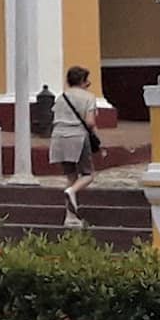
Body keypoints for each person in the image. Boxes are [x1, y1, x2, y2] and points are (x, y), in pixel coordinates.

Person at [50, 65, 98, 227]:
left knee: (71, 177)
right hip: (77, 137)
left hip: (58, 138)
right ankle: (71, 192)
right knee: (88, 175)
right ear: (83, 82)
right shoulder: (88, 97)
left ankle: (70, 217)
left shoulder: (61, 98)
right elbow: (90, 122)